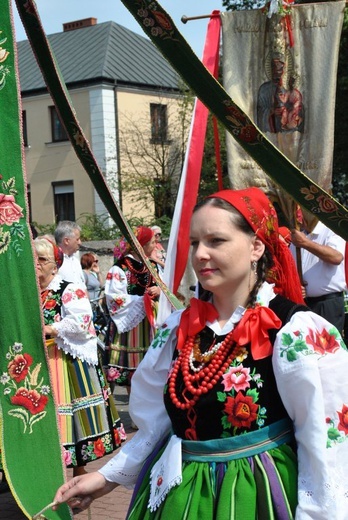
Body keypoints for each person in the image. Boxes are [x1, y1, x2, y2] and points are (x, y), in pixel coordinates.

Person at [53, 188, 348, 519]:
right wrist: (106, 477)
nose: (201, 254)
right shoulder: (179, 327)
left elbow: (324, 443)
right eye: (195, 242)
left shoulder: (294, 330)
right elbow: (158, 426)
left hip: (256, 494)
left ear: (256, 247)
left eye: (216, 241)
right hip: (181, 494)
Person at [34, 237, 125, 477]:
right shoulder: (30, 294)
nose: (36, 264)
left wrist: (52, 328)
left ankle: (79, 471)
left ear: (55, 265)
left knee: (73, 413)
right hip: (40, 362)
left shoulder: (68, 288)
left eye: (41, 260)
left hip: (66, 360)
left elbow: (82, 321)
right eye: (33, 259)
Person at [105, 226, 160, 399]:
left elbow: (162, 287)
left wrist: (159, 290)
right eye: (152, 242)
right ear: (141, 245)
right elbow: (114, 298)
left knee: (149, 370)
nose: (156, 244)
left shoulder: (150, 265)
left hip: (150, 322)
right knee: (132, 372)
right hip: (130, 325)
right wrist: (142, 300)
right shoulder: (120, 268)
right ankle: (134, 414)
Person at [290, 219, 347, 334]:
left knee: (329, 349)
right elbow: (292, 268)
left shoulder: (331, 229)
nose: (299, 217)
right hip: (305, 304)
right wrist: (296, 286)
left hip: (328, 304)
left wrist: (305, 243)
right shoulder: (297, 237)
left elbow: (336, 257)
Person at [54, 221, 85, 287]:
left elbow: (83, 286)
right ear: (66, 241)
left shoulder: (75, 261)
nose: (80, 243)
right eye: (77, 239)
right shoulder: (55, 261)